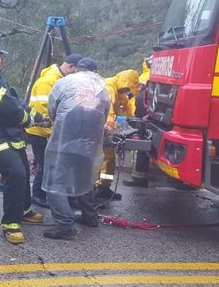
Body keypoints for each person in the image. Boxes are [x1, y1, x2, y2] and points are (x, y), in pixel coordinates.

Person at [0, 38, 45, 244]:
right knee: (15, 173)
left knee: (22, 170)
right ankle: (11, 223)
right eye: (1, 55)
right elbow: (6, 107)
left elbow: (13, 100)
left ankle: (24, 209)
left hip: (8, 133)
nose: (2, 59)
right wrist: (29, 120)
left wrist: (38, 117)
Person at [41, 57, 109, 239]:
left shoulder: (64, 82)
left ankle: (65, 224)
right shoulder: (103, 88)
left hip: (63, 140)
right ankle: (89, 216)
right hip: (89, 143)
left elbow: (52, 110)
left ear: (76, 69)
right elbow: (105, 114)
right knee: (85, 178)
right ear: (95, 71)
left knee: (55, 182)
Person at [25, 53, 83, 208]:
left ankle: (42, 194)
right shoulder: (48, 81)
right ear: (72, 67)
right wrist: (53, 132)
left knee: (48, 164)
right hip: (40, 132)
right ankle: (38, 195)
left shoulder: (59, 80)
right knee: (45, 165)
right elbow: (43, 111)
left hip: (50, 132)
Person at [95, 69, 140, 201]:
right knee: (105, 159)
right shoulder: (109, 88)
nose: (126, 91)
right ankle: (99, 188)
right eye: (126, 88)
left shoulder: (119, 90)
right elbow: (108, 111)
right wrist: (110, 127)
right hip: (102, 128)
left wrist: (134, 120)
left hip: (106, 129)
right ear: (123, 82)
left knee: (109, 159)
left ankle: (104, 186)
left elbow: (127, 107)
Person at [123, 56, 152, 187]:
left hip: (142, 116)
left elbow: (137, 97)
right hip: (149, 116)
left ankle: (138, 177)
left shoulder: (144, 77)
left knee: (141, 147)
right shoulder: (153, 76)